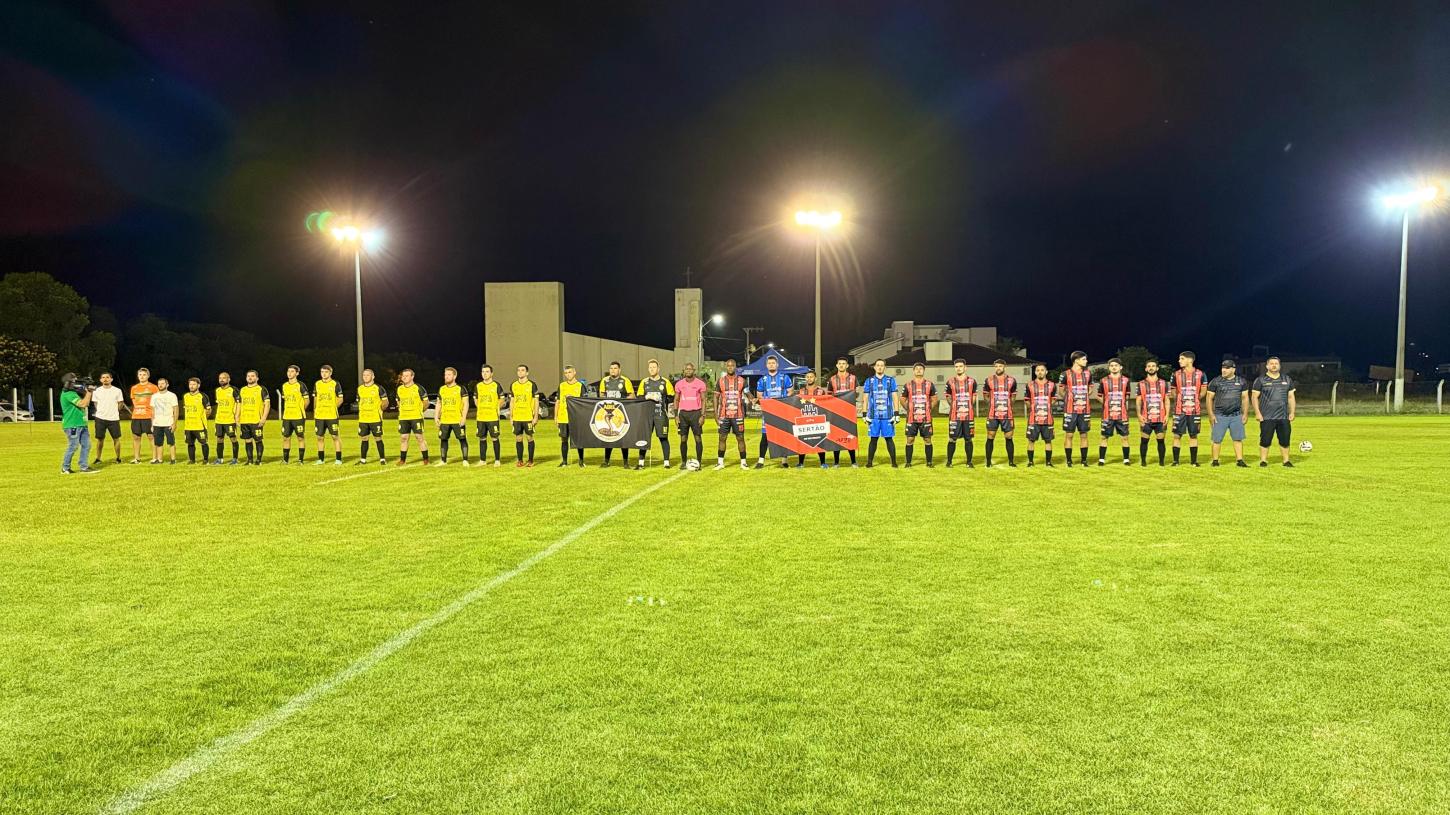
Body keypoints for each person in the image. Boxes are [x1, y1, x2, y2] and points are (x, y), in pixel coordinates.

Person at [1252, 356, 1297, 468]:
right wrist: (1257, 413)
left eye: (1276, 363)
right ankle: (1263, 461)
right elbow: (1254, 397)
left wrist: (1292, 412)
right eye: (1271, 363)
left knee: (1285, 439)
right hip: (1267, 416)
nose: (1274, 365)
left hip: (1283, 416)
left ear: (1279, 366)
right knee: (1265, 440)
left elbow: (1291, 397)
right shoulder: (1260, 380)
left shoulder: (1287, 379)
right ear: (1267, 366)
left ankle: (1286, 461)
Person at [1207, 359, 1250, 467]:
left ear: (1233, 369)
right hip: (1220, 415)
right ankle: (1215, 461)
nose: (1224, 370)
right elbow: (1209, 398)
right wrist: (1211, 415)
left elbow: (1245, 398)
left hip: (1236, 416)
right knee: (1216, 439)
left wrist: (1245, 414)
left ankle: (1240, 460)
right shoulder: (1216, 381)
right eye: (1223, 368)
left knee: (1238, 438)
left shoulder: (1241, 381)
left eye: (1227, 368)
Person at [754, 355, 793, 468]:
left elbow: (790, 392)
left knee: (783, 436)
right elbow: (759, 396)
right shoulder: (762, 380)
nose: (771, 365)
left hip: (781, 412)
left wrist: (780, 400)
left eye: (773, 363)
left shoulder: (784, 377)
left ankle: (784, 461)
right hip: (768, 413)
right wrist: (768, 402)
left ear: (777, 365)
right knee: (765, 436)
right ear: (766, 365)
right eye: (769, 363)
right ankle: (761, 461)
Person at [861, 359, 899, 468]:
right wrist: (864, 414)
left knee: (889, 438)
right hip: (874, 416)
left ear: (885, 367)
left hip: (888, 416)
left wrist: (896, 413)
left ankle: (894, 462)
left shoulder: (890, 380)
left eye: (882, 365)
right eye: (878, 365)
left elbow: (895, 397)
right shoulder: (869, 381)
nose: (880, 367)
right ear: (874, 367)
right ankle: (869, 462)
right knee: (873, 439)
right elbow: (866, 397)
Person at [637, 359, 675, 469]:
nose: (652, 369)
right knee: (644, 437)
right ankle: (641, 462)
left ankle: (666, 463)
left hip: (660, 415)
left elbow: (672, 396)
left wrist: (663, 401)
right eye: (650, 367)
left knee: (663, 438)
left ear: (658, 369)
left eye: (654, 367)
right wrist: (647, 397)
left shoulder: (665, 382)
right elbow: (639, 397)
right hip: (647, 415)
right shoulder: (644, 382)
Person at [1170, 351, 1207, 466]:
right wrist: (1181, 400)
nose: (1179, 361)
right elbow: (1173, 391)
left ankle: (1193, 461)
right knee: (1177, 435)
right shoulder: (1175, 374)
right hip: (1179, 410)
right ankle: (1175, 461)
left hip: (1194, 410)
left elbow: (1203, 391)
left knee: (1193, 435)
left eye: (1181, 358)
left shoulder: (1201, 374)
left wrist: (1194, 399)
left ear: (1190, 360)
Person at [1097, 358, 1134, 466]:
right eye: (1112, 365)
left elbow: (1127, 395)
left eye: (1116, 365)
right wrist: (1106, 403)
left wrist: (1122, 404)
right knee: (1104, 437)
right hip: (1107, 414)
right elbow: (1099, 396)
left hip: (1121, 414)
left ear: (1120, 367)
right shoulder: (1103, 380)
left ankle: (1126, 459)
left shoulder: (1126, 380)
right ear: (1109, 368)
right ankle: (1101, 460)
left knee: (1125, 437)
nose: (1114, 367)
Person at [714, 358, 750, 469]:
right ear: (726, 366)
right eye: (728, 365)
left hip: (738, 415)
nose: (730, 367)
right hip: (724, 416)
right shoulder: (720, 381)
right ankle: (720, 463)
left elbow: (748, 394)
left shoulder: (742, 381)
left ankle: (743, 463)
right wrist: (716, 413)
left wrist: (756, 399)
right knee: (722, 438)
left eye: (732, 365)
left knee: (740, 438)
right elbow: (716, 397)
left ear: (735, 367)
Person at [597, 361, 634, 468]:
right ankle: (606, 461)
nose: (613, 370)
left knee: (623, 437)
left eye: (615, 368)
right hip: (608, 412)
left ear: (619, 370)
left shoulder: (625, 381)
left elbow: (632, 395)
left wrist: (620, 402)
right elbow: (601, 395)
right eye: (611, 368)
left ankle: (626, 462)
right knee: (608, 436)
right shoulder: (605, 381)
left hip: (621, 414)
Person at [1059, 351, 1093, 467]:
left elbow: (1090, 389)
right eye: (1084, 359)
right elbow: (1061, 391)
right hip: (1070, 410)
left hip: (1084, 410)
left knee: (1084, 435)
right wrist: (1070, 399)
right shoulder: (1065, 374)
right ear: (1076, 360)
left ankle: (1084, 461)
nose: (1086, 361)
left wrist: (1083, 398)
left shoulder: (1088, 374)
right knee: (1069, 435)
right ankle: (1069, 460)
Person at [59, 373, 97, 475]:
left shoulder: (72, 393)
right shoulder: (68, 394)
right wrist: (89, 392)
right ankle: (65, 468)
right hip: (72, 424)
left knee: (86, 445)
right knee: (73, 446)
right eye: (74, 381)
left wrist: (87, 391)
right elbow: (83, 404)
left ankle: (83, 467)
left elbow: (85, 402)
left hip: (81, 423)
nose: (76, 384)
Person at [982, 359, 1017, 467]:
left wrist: (1008, 405)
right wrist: (992, 404)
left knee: (1009, 436)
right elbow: (985, 395)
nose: (998, 368)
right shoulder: (989, 380)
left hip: (1007, 414)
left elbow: (1014, 396)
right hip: (993, 414)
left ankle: (1011, 462)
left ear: (1004, 367)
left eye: (1000, 366)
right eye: (996, 366)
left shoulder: (1012, 380)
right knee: (990, 436)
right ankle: (988, 462)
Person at [900, 362, 936, 467]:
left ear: (924, 371)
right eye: (917, 369)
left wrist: (928, 409)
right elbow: (902, 399)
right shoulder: (908, 385)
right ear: (913, 371)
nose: (919, 370)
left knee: (927, 439)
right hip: (912, 418)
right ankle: (908, 462)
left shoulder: (929, 384)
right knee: (910, 439)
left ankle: (929, 462)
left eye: (921, 368)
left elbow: (934, 399)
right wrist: (908, 409)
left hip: (926, 418)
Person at [943, 359, 977, 468]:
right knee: (952, 438)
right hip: (954, 415)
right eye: (956, 366)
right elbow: (948, 396)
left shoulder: (972, 381)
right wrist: (954, 405)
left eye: (960, 366)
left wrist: (968, 407)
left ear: (965, 367)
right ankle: (949, 462)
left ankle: (969, 462)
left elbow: (974, 397)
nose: (958, 368)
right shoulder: (950, 382)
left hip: (968, 415)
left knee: (968, 438)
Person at [394, 368, 431, 465]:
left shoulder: (418, 388)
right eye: (403, 376)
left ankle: (425, 459)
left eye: (407, 376)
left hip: (416, 417)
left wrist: (419, 410)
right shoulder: (400, 389)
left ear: (412, 377)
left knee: (419, 438)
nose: (404, 377)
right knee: (403, 438)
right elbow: (398, 401)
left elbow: (426, 403)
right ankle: (402, 460)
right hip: (403, 418)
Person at [674, 362, 707, 467]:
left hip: (696, 413)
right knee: (683, 439)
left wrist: (702, 415)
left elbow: (703, 400)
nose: (688, 370)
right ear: (683, 371)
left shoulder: (700, 384)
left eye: (690, 369)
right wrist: (676, 415)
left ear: (694, 371)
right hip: (683, 414)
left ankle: (699, 462)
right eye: (686, 369)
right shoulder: (679, 384)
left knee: (698, 438)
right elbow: (676, 399)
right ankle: (683, 462)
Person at [435, 366, 470, 466]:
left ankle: (465, 460)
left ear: (454, 376)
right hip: (445, 420)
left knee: (462, 439)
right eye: (445, 375)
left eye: (449, 375)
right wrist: (436, 417)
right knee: (443, 439)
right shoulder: (442, 389)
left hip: (457, 419)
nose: (446, 377)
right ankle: (443, 460)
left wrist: (463, 418)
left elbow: (466, 404)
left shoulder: (461, 389)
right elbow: (439, 403)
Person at [1137, 359, 1169, 466]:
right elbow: (1138, 401)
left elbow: (1167, 400)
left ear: (1157, 368)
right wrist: (1139, 415)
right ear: (1146, 369)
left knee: (1161, 441)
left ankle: (1161, 462)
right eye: (1149, 366)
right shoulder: (1141, 384)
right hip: (1146, 419)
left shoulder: (1164, 383)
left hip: (1160, 418)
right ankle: (1143, 462)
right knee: (1144, 441)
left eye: (1153, 366)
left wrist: (1167, 415)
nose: (1151, 368)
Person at [828, 357, 859, 467]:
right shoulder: (832, 379)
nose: (841, 365)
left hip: (849, 411)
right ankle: (836, 462)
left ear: (847, 366)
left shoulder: (853, 378)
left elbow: (857, 393)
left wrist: (852, 397)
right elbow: (829, 396)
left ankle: (854, 461)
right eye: (839, 363)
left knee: (850, 435)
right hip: (836, 412)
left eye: (843, 364)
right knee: (836, 436)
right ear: (837, 365)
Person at [1023, 363, 1056, 467]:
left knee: (1048, 440)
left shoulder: (1052, 385)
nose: (1040, 372)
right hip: (1034, 418)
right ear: (1035, 372)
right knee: (1031, 440)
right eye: (1038, 370)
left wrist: (1046, 407)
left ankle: (1048, 462)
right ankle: (1031, 462)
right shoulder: (1029, 385)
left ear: (1046, 372)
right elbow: (1027, 400)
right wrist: (1034, 408)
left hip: (1047, 418)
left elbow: (1054, 399)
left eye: (1042, 370)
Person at [355, 368, 389, 465]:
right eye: (364, 375)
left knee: (378, 438)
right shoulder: (360, 389)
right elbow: (359, 401)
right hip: (363, 418)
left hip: (375, 418)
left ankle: (382, 459)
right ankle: (363, 460)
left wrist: (380, 409)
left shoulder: (378, 388)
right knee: (364, 438)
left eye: (368, 375)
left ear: (373, 376)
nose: (365, 377)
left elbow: (385, 402)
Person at [90, 372, 125, 467]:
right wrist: (101, 411)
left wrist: (115, 411)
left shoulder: (117, 390)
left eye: (107, 377)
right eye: (103, 377)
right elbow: (95, 403)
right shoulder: (97, 391)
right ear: (100, 380)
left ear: (111, 379)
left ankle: (118, 458)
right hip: (100, 418)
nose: (105, 379)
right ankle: (98, 458)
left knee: (116, 439)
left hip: (113, 418)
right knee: (100, 439)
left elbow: (120, 403)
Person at [795, 370, 829, 468]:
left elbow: (826, 404)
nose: (809, 378)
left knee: (820, 439)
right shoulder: (801, 391)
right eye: (807, 377)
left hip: (817, 419)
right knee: (802, 440)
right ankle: (801, 463)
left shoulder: (821, 391)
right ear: (805, 378)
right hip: (804, 418)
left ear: (815, 378)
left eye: (811, 377)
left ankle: (823, 463)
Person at [474, 364, 507, 466]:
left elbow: (502, 398)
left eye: (487, 372)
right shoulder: (478, 386)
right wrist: (479, 406)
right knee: (482, 438)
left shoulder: (496, 385)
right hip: (481, 417)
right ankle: (482, 460)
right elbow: (476, 398)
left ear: (491, 373)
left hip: (492, 416)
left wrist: (497, 407)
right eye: (483, 372)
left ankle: (497, 460)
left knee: (494, 438)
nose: (485, 374)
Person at [312, 364, 344, 465]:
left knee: (335, 436)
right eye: (322, 372)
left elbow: (340, 398)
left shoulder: (335, 384)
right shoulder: (317, 384)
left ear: (330, 373)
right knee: (319, 437)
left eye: (326, 372)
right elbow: (316, 398)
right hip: (320, 416)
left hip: (331, 415)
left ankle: (338, 459)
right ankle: (321, 459)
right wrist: (315, 410)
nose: (323, 374)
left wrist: (333, 407)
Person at [278, 364, 310, 464]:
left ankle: (300, 460)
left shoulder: (301, 385)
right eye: (288, 371)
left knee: (300, 437)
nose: (289, 373)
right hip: (287, 416)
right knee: (285, 437)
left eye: (292, 371)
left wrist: (300, 409)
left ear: (297, 373)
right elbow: (285, 399)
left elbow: (307, 400)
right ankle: (285, 460)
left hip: (298, 416)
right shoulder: (284, 385)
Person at [511, 364, 541, 467]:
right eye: (518, 370)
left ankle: (531, 460)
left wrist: (536, 416)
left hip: (528, 416)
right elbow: (512, 401)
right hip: (517, 417)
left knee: (529, 437)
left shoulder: (532, 385)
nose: (520, 372)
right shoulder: (514, 385)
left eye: (523, 370)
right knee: (518, 438)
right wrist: (511, 416)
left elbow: (536, 401)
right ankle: (520, 460)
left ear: (527, 373)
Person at [555, 365, 585, 467]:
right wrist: (556, 416)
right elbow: (558, 401)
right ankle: (564, 461)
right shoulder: (562, 385)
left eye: (570, 372)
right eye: (566, 373)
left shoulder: (580, 386)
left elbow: (583, 403)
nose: (568, 374)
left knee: (578, 439)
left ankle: (581, 461)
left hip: (575, 418)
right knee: (564, 439)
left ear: (574, 372)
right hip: (563, 417)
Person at [128, 368, 159, 464]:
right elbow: (134, 402)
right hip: (136, 417)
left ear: (148, 376)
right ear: (138, 376)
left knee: (151, 436)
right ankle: (137, 458)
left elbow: (157, 401)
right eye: (140, 374)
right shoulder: (134, 388)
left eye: (144, 374)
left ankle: (155, 458)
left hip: (149, 416)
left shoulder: (153, 387)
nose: (142, 376)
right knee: (136, 437)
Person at [238, 370, 269, 464]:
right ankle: (250, 460)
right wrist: (237, 417)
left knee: (258, 440)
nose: (250, 378)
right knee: (247, 440)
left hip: (256, 420)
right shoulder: (243, 390)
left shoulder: (261, 389)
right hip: (244, 420)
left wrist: (263, 418)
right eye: (248, 376)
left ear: (257, 378)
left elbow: (267, 405)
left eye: (252, 376)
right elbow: (239, 404)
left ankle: (258, 460)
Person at [180, 377, 213, 465]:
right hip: (188, 426)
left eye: (194, 384)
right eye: (190, 384)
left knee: (203, 443)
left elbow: (208, 410)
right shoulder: (185, 396)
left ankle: (205, 460)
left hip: (200, 425)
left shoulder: (203, 396)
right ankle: (192, 460)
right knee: (190, 443)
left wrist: (203, 418)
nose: (191, 386)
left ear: (198, 385)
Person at [211, 372, 240, 465]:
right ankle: (220, 459)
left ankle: (235, 459)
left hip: (230, 419)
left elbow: (239, 403)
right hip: (219, 420)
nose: (222, 379)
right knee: (219, 439)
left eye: (224, 378)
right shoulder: (217, 390)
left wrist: (237, 416)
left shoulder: (233, 390)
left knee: (233, 438)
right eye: (220, 378)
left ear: (229, 379)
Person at [149, 377, 179, 464]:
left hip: (168, 422)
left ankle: (173, 459)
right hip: (157, 423)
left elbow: (176, 409)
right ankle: (159, 459)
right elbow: (153, 411)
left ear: (167, 385)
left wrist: (174, 423)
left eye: (162, 383)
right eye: (159, 384)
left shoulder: (172, 395)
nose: (160, 385)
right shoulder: (154, 396)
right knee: (158, 443)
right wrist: (152, 424)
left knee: (171, 442)